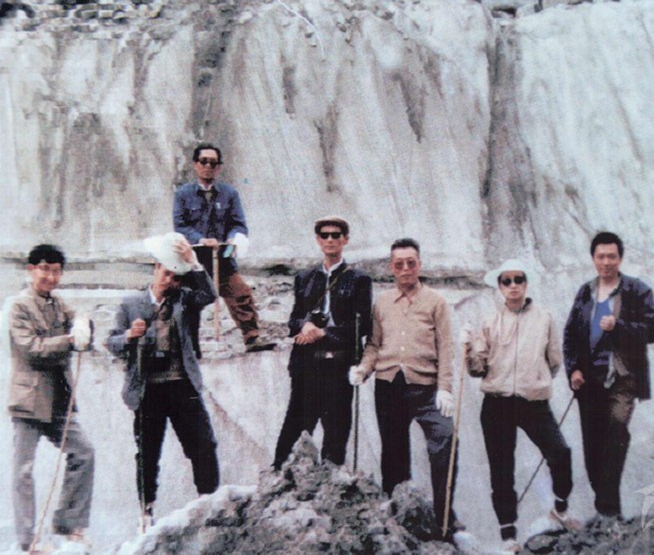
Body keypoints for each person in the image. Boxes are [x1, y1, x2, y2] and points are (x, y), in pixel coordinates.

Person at [349, 238, 462, 538]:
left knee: (446, 441)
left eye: (411, 263)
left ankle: (444, 517)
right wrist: (363, 369)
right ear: (392, 268)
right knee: (393, 452)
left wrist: (445, 388)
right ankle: (399, 516)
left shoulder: (436, 302)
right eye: (399, 264)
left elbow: (446, 347)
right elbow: (374, 345)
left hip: (427, 389)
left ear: (419, 265)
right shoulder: (382, 303)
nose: (405, 269)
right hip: (389, 387)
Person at [463, 259, 578, 553]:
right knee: (502, 470)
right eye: (507, 281)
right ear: (499, 286)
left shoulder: (544, 318)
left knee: (560, 453)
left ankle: (560, 508)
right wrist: (468, 349)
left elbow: (554, 360)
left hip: (533, 403)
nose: (513, 286)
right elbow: (477, 369)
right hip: (497, 403)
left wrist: (534, 381)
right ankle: (508, 536)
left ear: (526, 283)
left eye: (518, 279)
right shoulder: (489, 321)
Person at [106, 233, 220, 528]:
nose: (170, 281)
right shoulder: (131, 304)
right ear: (156, 268)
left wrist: (195, 264)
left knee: (203, 444)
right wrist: (130, 336)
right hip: (148, 388)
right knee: (147, 453)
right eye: (167, 273)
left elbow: (210, 295)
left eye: (176, 277)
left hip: (182, 384)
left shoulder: (184, 300)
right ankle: (146, 512)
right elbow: (112, 343)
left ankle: (208, 503)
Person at [563, 231, 654, 517]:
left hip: (623, 379)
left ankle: (609, 509)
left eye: (612, 256)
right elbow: (570, 335)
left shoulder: (637, 291)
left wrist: (619, 326)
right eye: (601, 256)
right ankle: (605, 510)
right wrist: (574, 369)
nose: (606, 262)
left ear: (620, 258)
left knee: (616, 433)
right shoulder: (585, 292)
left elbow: (653, 330)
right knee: (592, 448)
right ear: (593, 259)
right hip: (589, 381)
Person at [8, 244, 95, 552]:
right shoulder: (18, 306)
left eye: (57, 271)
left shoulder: (59, 304)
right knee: (23, 471)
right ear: (31, 270)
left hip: (59, 399)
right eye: (45, 269)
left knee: (84, 453)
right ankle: (27, 541)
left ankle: (69, 524)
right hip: (29, 400)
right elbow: (31, 348)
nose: (50, 277)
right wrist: (69, 340)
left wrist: (84, 324)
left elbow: (81, 326)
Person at [272, 216, 372, 469]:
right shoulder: (305, 277)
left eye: (335, 235)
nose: (330, 240)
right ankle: (280, 475)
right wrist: (304, 325)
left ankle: (331, 483)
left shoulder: (359, 279)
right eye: (324, 235)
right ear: (318, 240)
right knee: (295, 426)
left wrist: (325, 333)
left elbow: (362, 326)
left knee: (336, 432)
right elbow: (293, 319)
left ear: (345, 240)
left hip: (338, 365)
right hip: (306, 364)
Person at [172, 143, 273, 353]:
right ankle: (188, 348)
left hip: (223, 258)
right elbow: (180, 226)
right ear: (195, 164)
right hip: (194, 260)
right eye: (204, 161)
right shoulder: (183, 194)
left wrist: (232, 238)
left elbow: (239, 224)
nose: (208, 166)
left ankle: (252, 338)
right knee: (187, 302)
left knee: (241, 293)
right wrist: (201, 239)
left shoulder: (229, 194)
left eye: (213, 163)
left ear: (219, 167)